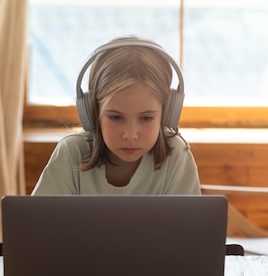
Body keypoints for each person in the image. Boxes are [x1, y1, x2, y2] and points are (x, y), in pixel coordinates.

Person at [32, 36, 201, 196]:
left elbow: (190, 226)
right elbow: (35, 223)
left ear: (167, 114)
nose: (130, 134)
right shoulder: (71, 153)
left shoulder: (177, 156)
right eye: (116, 117)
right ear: (93, 112)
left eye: (146, 118)